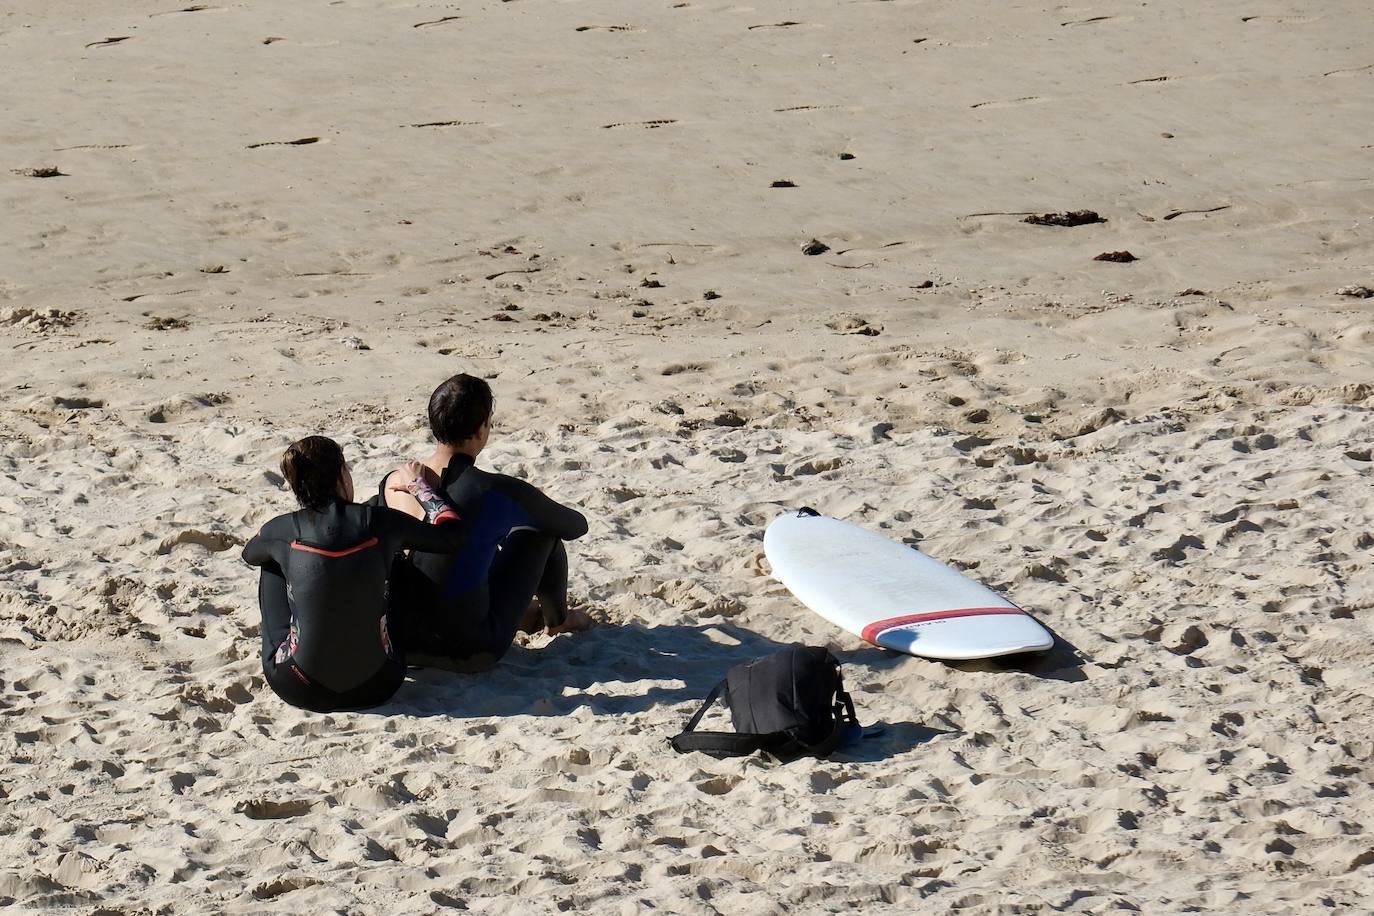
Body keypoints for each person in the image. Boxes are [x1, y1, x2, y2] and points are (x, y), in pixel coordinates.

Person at [379, 373, 592, 669]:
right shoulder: (490, 489)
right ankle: (559, 620)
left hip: (401, 641)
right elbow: (574, 526)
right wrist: (523, 508)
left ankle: (527, 614)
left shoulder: (394, 480)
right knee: (540, 533)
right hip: (470, 650)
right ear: (481, 429)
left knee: (468, 548)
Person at [243, 436, 467, 712]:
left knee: (272, 560)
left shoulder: (283, 530)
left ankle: (290, 646)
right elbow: (452, 536)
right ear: (341, 476)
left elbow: (249, 554)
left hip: (299, 686)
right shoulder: (379, 522)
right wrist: (419, 486)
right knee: (390, 557)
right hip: (380, 684)